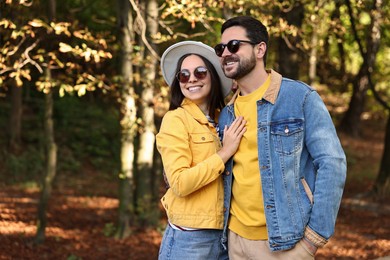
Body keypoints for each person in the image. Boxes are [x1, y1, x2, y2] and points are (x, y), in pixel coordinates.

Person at [215, 16, 347, 259]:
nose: (225, 53)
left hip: (285, 245)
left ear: (260, 49)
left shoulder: (299, 97)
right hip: (234, 242)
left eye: (234, 46)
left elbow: (332, 163)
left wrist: (313, 238)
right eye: (220, 48)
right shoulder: (226, 114)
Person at [156, 40, 246, 260]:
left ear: (213, 76)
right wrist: (224, 153)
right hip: (189, 242)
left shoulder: (222, 118)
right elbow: (179, 183)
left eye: (200, 72)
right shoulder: (176, 119)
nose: (192, 79)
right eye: (184, 75)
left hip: (225, 236)